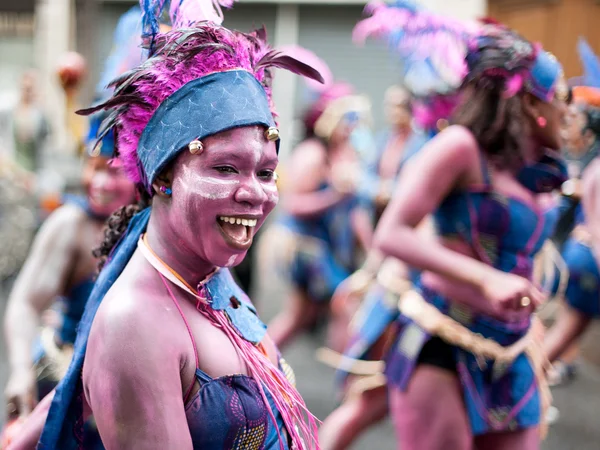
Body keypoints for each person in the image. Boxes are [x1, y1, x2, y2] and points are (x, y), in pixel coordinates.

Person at [12, 2, 323, 448]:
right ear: (161, 177)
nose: (254, 193)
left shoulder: (209, 275)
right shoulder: (133, 324)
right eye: (225, 169)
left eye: (266, 172)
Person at [337, 3, 568, 450]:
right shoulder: (460, 147)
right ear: (529, 101)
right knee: (363, 410)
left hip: (512, 350)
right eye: (560, 97)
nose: (568, 110)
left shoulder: (539, 170)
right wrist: (487, 278)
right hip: (439, 340)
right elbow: (393, 232)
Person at [265, 81, 374, 350]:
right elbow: (292, 205)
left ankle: (259, 366)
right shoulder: (313, 154)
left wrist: (373, 250)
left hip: (324, 246)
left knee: (300, 316)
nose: (351, 127)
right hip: (303, 246)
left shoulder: (346, 154)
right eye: (346, 119)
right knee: (344, 302)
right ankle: (351, 379)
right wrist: (333, 196)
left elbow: (356, 210)